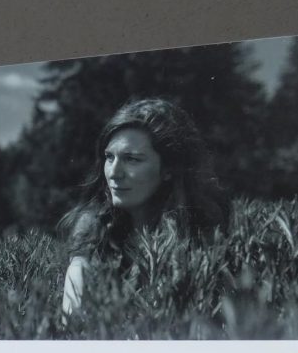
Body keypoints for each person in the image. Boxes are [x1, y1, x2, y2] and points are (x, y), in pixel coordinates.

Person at [60, 98, 228, 317]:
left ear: (169, 169)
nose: (114, 172)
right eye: (109, 157)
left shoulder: (204, 247)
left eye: (132, 159)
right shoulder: (91, 251)